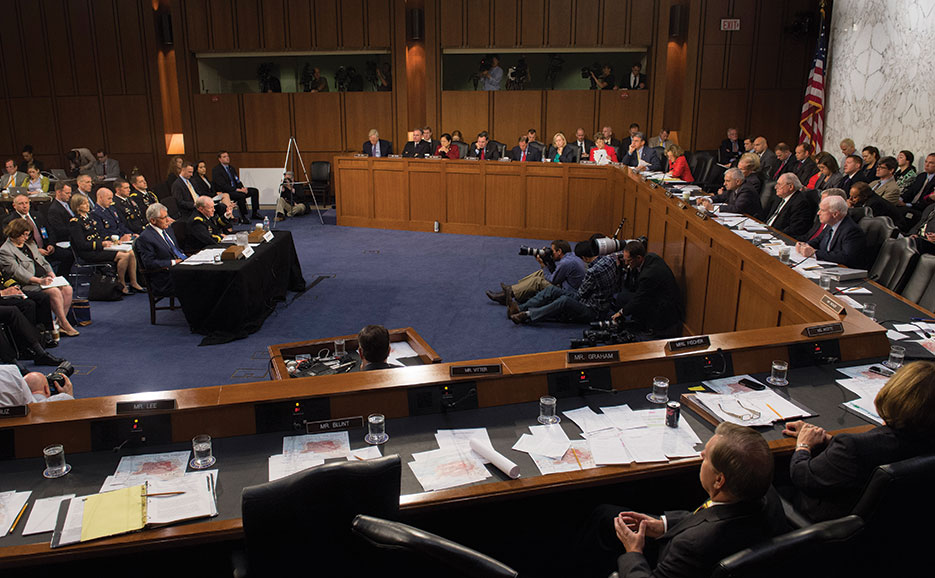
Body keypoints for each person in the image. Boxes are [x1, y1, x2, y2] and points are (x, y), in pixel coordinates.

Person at [579, 422, 786, 578]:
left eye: (707, 457)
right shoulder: (766, 494)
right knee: (605, 516)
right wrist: (663, 526)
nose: (701, 454)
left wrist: (634, 551)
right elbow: (712, 516)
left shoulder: (691, 546)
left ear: (719, 480)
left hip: (668, 564)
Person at [783, 361, 935, 522]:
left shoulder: (853, 447)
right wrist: (831, 441)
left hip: (824, 527)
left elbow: (803, 476)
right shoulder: (923, 440)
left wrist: (803, 445)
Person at [0, 219, 78, 337]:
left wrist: (51, 273)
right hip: (28, 283)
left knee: (68, 289)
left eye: (28, 234)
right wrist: (39, 280)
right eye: (24, 234)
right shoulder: (5, 250)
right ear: (15, 233)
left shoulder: (30, 244)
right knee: (54, 291)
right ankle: (64, 323)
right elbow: (17, 272)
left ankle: (59, 322)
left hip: (43, 278)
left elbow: (43, 262)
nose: (26, 237)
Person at [508, 241, 618, 325]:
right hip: (595, 300)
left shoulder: (592, 272)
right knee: (552, 290)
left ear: (584, 257)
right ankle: (520, 308)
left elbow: (579, 295)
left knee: (564, 301)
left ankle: (528, 315)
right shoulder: (610, 260)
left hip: (594, 311)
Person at [68, 192, 144, 295]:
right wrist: (101, 244)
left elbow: (100, 233)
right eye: (84, 203)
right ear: (77, 206)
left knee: (131, 252)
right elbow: (82, 244)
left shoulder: (89, 218)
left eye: (87, 203)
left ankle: (134, 282)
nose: (87, 205)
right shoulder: (75, 222)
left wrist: (110, 240)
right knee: (123, 256)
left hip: (100, 248)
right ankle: (121, 284)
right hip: (89, 253)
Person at [611, 240, 682, 339]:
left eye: (629, 260)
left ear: (639, 258)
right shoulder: (650, 257)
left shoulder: (648, 275)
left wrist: (621, 313)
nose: (626, 263)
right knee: (622, 298)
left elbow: (640, 299)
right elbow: (632, 286)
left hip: (665, 310)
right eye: (625, 259)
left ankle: (647, 329)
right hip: (655, 297)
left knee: (629, 302)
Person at [486, 240, 585, 304]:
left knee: (537, 281)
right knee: (541, 273)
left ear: (559, 251)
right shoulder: (571, 256)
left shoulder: (566, 263)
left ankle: (509, 293)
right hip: (567, 285)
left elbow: (553, 280)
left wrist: (543, 265)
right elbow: (556, 273)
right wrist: (548, 262)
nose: (551, 253)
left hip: (568, 293)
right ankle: (512, 291)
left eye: (553, 251)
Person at [2, 192, 71, 276]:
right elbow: (14, 241)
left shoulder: (38, 215)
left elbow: (50, 231)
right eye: (21, 204)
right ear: (14, 206)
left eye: (26, 203)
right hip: (29, 251)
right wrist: (35, 250)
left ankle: (61, 277)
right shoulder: (10, 221)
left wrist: (51, 244)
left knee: (69, 256)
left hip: (46, 247)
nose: (24, 206)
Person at [795, 195, 866, 268]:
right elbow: (818, 240)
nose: (818, 213)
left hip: (841, 269)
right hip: (826, 265)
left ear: (835, 214)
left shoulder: (851, 230)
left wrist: (814, 253)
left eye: (822, 210)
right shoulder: (831, 223)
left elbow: (846, 257)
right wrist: (804, 245)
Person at [136, 203, 185, 296]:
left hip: (179, 269)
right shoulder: (145, 238)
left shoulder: (168, 229)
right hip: (165, 278)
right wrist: (173, 262)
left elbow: (177, 249)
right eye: (163, 218)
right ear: (153, 220)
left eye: (167, 216)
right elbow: (149, 263)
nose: (168, 220)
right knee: (198, 279)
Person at [212, 151, 261, 221]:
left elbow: (237, 180)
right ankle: (244, 216)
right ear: (220, 159)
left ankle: (255, 213)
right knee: (241, 195)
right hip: (227, 192)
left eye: (228, 156)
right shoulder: (216, 170)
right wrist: (238, 190)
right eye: (224, 157)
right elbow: (223, 186)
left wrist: (242, 188)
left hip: (237, 189)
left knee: (254, 191)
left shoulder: (231, 168)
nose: (227, 158)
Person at [764, 173, 816, 239]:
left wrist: (772, 234)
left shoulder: (800, 203)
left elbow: (795, 229)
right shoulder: (779, 198)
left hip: (778, 237)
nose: (775, 187)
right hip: (767, 231)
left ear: (791, 187)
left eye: (779, 184)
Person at [0, 365, 75, 406]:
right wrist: (67, 396)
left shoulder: (9, 373)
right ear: (46, 389)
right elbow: (34, 410)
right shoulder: (10, 372)